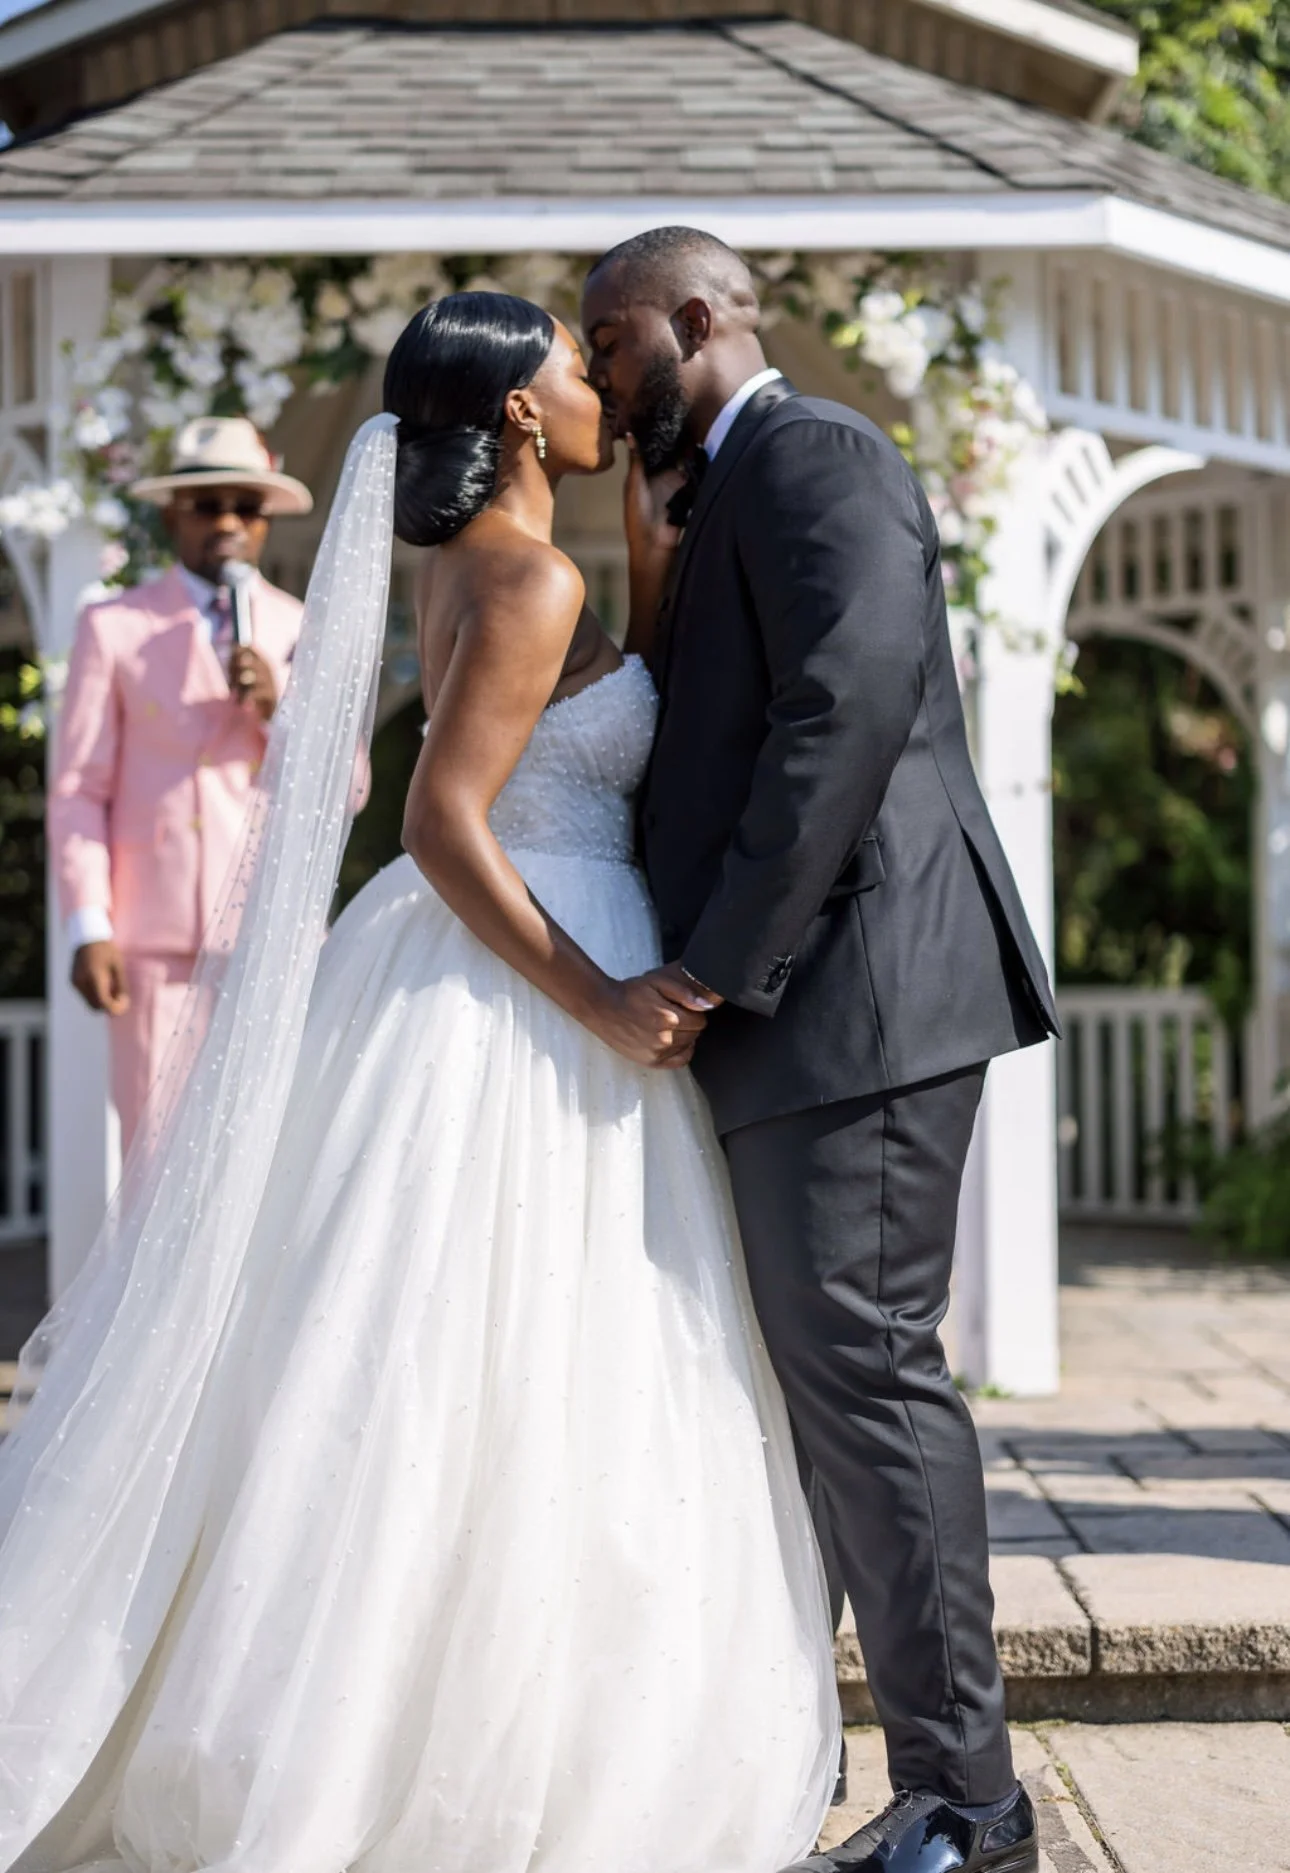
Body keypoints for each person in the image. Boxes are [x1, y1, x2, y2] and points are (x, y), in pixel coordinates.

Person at [0, 295, 838, 1873]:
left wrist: (653, 567)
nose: (601, 389)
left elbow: (553, 733)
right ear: (522, 413)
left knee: (442, 1355)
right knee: (521, 1353)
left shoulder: (480, 567)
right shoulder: (524, 576)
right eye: (579, 372)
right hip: (533, 975)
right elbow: (447, 826)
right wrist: (598, 997)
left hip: (472, 963)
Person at [582, 227, 1058, 1873]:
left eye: (611, 335)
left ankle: (971, 1801)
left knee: (866, 1368)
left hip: (856, 997)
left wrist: (710, 965)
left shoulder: (816, 450)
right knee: (819, 1389)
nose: (593, 370)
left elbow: (846, 702)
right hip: (808, 1007)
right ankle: (855, 1764)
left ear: (701, 318)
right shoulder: (716, 493)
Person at [48, 416, 312, 1152]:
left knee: (268, 1158)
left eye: (246, 505)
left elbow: (346, 788)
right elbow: (78, 790)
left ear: (265, 521)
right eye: (206, 503)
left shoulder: (301, 629)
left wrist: (277, 704)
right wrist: (88, 926)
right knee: (156, 1163)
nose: (227, 521)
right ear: (172, 513)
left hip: (270, 935)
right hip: (152, 948)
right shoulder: (115, 625)